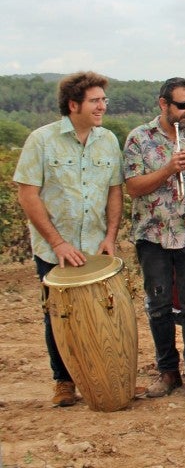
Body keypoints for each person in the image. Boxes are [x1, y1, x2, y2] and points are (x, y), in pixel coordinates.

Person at [14, 71, 125, 407]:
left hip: (96, 245)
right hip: (54, 248)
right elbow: (28, 195)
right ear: (73, 105)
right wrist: (58, 243)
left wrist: (110, 236)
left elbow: (115, 190)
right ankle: (63, 381)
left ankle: (106, 376)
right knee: (58, 316)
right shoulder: (41, 140)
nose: (102, 106)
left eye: (103, 100)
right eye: (95, 101)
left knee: (104, 313)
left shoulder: (108, 140)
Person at [124, 77, 185, 404]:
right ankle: (167, 371)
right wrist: (168, 169)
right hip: (152, 234)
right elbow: (133, 187)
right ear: (163, 104)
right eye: (182, 105)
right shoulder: (139, 138)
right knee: (158, 306)